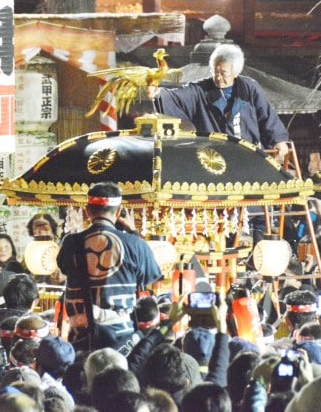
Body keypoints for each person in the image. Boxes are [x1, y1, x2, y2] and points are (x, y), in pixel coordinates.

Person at [56, 181, 163, 348]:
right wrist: (133, 232)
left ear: (87, 210)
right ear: (119, 211)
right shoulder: (135, 244)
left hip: (81, 337)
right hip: (121, 339)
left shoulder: (70, 242)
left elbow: (64, 268)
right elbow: (150, 276)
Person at [147, 44, 290, 160]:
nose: (218, 77)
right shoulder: (200, 90)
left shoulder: (249, 87)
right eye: (216, 72)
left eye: (223, 73)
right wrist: (158, 93)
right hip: (214, 158)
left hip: (251, 156)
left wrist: (279, 140)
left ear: (236, 72)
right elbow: (176, 96)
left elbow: (267, 116)